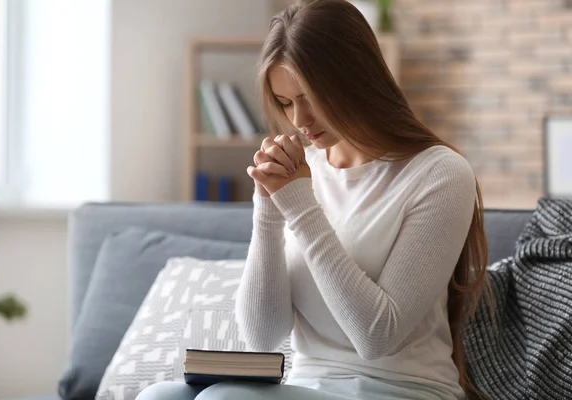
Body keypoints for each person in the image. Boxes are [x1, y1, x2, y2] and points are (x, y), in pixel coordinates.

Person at [137, 0, 489, 399]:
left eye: (310, 96)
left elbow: (377, 337)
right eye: (286, 103)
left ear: (356, 79)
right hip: (306, 386)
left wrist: (300, 205)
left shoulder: (439, 173)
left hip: (399, 390)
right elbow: (263, 336)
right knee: (159, 396)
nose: (299, 121)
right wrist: (268, 209)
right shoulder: (306, 171)